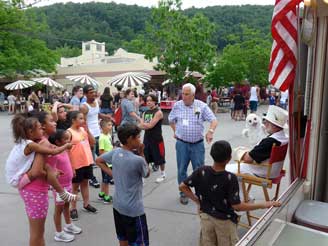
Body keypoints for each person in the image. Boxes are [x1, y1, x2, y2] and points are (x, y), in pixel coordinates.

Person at [179, 140, 281, 246]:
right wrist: (264, 204)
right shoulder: (230, 178)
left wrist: (197, 201)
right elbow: (237, 206)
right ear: (229, 159)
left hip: (205, 219)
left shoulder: (201, 171)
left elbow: (182, 186)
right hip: (224, 222)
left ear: (212, 155)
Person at [96, 124, 150, 246]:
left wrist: (114, 174)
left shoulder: (115, 152)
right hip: (134, 210)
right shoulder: (138, 160)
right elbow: (146, 173)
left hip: (118, 206)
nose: (140, 140)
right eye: (138, 137)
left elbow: (98, 160)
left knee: (123, 239)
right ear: (130, 139)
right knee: (139, 242)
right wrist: (141, 153)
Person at [5, 113, 76, 200]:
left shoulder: (23, 141)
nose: (42, 130)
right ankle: (61, 193)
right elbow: (53, 152)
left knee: (47, 168)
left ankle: (59, 192)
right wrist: (66, 146)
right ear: (31, 132)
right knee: (48, 169)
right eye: (40, 128)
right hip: (17, 180)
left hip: (14, 178)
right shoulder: (32, 144)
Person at [168, 83, 218, 205]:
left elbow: (214, 120)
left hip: (197, 144)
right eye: (183, 94)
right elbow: (170, 120)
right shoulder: (178, 105)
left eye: (187, 94)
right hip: (182, 144)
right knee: (181, 170)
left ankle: (200, 193)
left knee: (199, 170)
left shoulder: (201, 106)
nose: (183, 96)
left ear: (193, 95)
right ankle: (183, 193)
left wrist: (210, 131)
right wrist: (176, 131)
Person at [226, 105, 289, 179]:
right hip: (275, 170)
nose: (265, 123)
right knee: (236, 171)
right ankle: (240, 191)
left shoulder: (270, 141)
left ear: (274, 125)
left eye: (267, 122)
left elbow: (248, 159)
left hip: (263, 170)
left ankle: (238, 191)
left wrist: (239, 151)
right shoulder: (285, 138)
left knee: (226, 169)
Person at [48, 130, 82, 242]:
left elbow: (67, 161)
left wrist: (72, 169)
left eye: (69, 139)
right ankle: (59, 233)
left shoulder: (65, 150)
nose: (69, 141)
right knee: (59, 209)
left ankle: (68, 225)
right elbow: (48, 166)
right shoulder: (54, 152)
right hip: (59, 186)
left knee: (66, 206)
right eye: (66, 139)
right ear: (57, 142)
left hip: (68, 183)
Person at [80, 85, 113, 188]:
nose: (93, 94)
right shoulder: (84, 107)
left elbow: (97, 115)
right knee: (91, 159)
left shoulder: (97, 102)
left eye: (94, 92)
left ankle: (107, 176)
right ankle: (91, 178)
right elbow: (83, 123)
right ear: (85, 94)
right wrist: (89, 136)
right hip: (90, 135)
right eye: (90, 92)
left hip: (99, 133)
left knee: (103, 156)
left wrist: (106, 116)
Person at [67, 111, 97, 220]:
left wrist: (88, 130)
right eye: (80, 118)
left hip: (86, 161)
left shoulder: (83, 130)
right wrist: (71, 166)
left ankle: (86, 204)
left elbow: (93, 142)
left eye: (83, 118)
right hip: (76, 164)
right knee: (75, 187)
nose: (83, 120)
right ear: (73, 120)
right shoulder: (69, 133)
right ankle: (73, 208)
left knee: (85, 183)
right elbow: (66, 151)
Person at [139, 94, 166, 183]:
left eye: (150, 100)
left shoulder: (158, 112)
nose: (149, 102)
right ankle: (145, 175)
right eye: (147, 101)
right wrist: (144, 125)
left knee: (160, 157)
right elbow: (141, 125)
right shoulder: (145, 113)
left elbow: (150, 125)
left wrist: (144, 125)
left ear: (155, 101)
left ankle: (163, 174)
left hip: (157, 138)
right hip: (147, 138)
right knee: (145, 156)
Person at [97, 119, 114, 204]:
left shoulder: (109, 135)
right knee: (107, 181)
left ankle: (102, 194)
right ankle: (106, 197)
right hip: (105, 162)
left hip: (110, 161)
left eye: (111, 125)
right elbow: (101, 151)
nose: (111, 127)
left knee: (105, 179)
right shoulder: (102, 138)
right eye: (109, 125)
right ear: (102, 127)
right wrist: (109, 154)